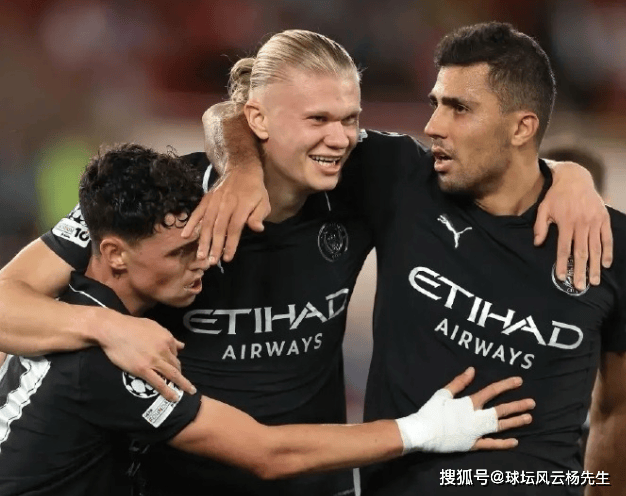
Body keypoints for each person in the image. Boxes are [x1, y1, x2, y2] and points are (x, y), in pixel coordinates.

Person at [0, 29, 611, 496]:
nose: (340, 138)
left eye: (350, 119)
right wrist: (107, 325)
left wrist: (568, 174)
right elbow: (8, 300)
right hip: (179, 480)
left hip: (313, 481)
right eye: (318, 119)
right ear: (257, 119)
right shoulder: (167, 204)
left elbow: (495, 161)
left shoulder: (362, 183)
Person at [195, 24, 626, 495]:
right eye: (436, 103)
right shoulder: (401, 178)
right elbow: (234, 112)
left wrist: (571, 174)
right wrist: (240, 169)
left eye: (459, 108)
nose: (433, 125)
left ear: (522, 127)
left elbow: (616, 411)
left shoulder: (611, 244)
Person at [0, 143, 535, 496]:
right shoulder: (114, 363)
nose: (203, 260)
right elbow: (267, 453)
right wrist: (424, 430)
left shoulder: (64, 299)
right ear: (115, 254)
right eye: (180, 253)